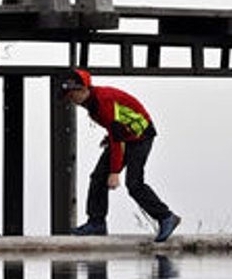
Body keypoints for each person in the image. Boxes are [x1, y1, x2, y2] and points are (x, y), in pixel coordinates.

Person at [57, 68, 180, 242]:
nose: (71, 100)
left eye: (71, 95)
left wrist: (114, 172)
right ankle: (96, 223)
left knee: (134, 184)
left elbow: (117, 139)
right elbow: (117, 126)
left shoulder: (103, 100)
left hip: (140, 137)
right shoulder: (90, 102)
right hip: (124, 136)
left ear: (83, 89)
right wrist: (109, 137)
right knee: (98, 177)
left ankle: (166, 217)